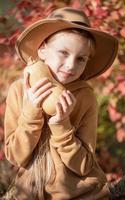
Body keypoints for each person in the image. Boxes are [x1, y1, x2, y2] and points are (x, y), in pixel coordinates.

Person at [4, 6, 118, 200]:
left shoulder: (86, 98)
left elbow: (84, 166)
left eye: (81, 58)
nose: (71, 65)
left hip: (82, 194)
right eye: (63, 52)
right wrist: (31, 113)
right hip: (30, 192)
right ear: (42, 51)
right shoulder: (19, 90)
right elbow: (15, 156)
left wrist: (62, 126)